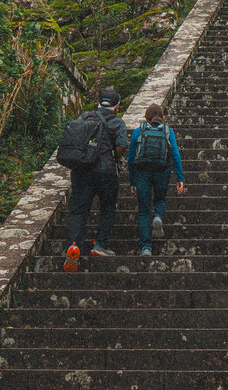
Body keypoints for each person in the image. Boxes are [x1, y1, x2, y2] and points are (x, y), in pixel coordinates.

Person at [62, 87, 128, 271]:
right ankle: (100, 244)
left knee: (78, 210)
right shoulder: (118, 123)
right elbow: (122, 146)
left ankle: (74, 245)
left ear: (99, 102)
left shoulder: (84, 118)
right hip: (106, 171)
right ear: (116, 106)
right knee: (107, 207)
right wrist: (114, 154)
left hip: (82, 170)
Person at [128, 102, 185, 259]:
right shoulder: (168, 131)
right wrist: (179, 177)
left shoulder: (138, 131)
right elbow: (175, 155)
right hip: (162, 171)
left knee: (143, 210)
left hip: (142, 173)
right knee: (160, 199)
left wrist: (132, 182)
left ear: (147, 118)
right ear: (163, 117)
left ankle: (146, 247)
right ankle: (158, 215)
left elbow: (131, 158)